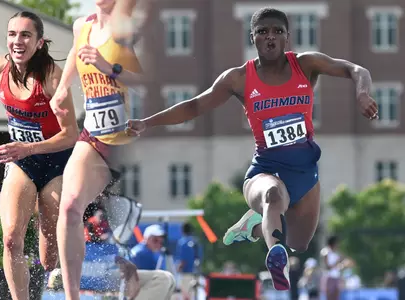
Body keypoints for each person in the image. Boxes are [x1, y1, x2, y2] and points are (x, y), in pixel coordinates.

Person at [126, 7, 378, 291]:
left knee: (300, 242)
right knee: (272, 195)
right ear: (253, 38)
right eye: (262, 32)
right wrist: (148, 122)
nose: (270, 37)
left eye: (277, 32)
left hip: (305, 172)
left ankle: (253, 226)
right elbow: (195, 105)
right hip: (265, 171)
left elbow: (357, 70)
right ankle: (275, 259)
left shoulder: (305, 65)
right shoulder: (238, 78)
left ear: (287, 38)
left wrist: (362, 92)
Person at [0, 11, 78, 300]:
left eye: (26, 35)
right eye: (12, 35)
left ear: (39, 43)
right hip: (21, 161)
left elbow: (71, 135)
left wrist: (28, 147)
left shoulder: (53, 79)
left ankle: (51, 262)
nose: (17, 41)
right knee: (10, 239)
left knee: (48, 258)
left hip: (56, 161)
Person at [48, 0, 144, 299]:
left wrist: (109, 68)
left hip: (130, 140)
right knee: (69, 207)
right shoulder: (83, 26)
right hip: (93, 135)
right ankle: (72, 295)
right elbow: (77, 53)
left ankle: (118, 202)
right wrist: (63, 88)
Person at [176, 222, 200, 300]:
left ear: (182, 231)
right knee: (193, 295)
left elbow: (183, 259)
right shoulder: (196, 241)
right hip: (195, 273)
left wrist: (177, 269)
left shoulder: (182, 242)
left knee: (185, 296)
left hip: (185, 273)